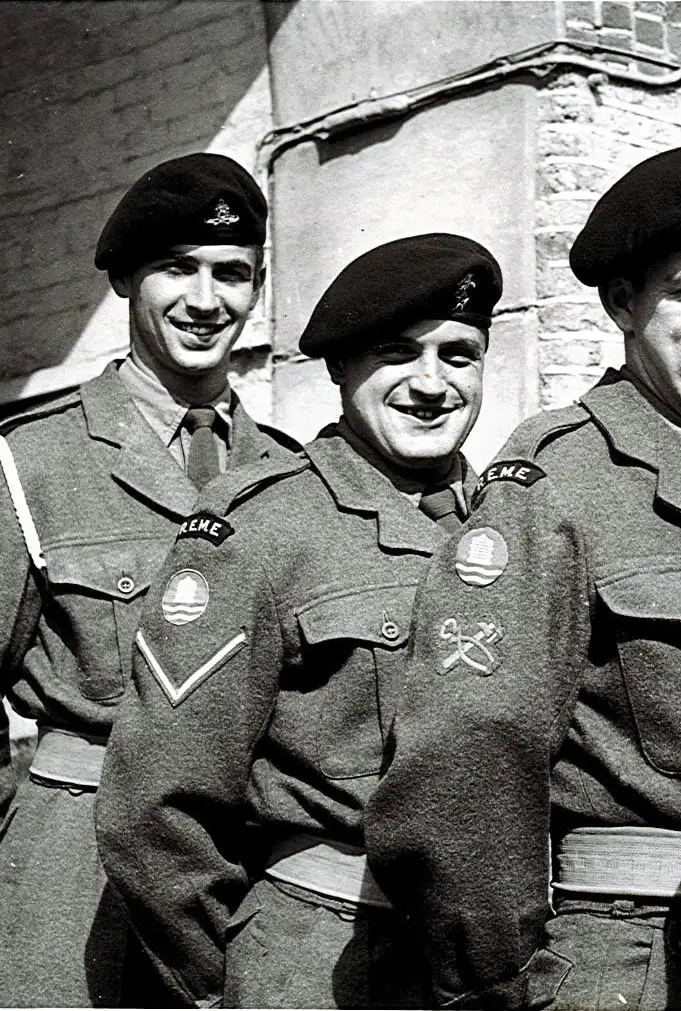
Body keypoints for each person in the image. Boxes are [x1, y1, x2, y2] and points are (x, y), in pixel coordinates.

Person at [362, 137, 681, 1009]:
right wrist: (500, 985)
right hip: (624, 958)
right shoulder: (556, 480)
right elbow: (465, 754)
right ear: (623, 303)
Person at [0, 153, 296, 1007]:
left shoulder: (289, 473)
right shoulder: (28, 463)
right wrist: (18, 886)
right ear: (124, 279)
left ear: (258, 285)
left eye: (232, 273)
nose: (206, 300)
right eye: (176, 269)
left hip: (244, 882)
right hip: (78, 881)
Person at [95, 233, 502, 1008]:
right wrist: (242, 980)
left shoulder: (521, 525)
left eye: (459, 355)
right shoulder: (266, 525)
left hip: (495, 967)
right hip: (328, 953)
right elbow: (158, 805)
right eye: (396, 353)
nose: (431, 383)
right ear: (340, 368)